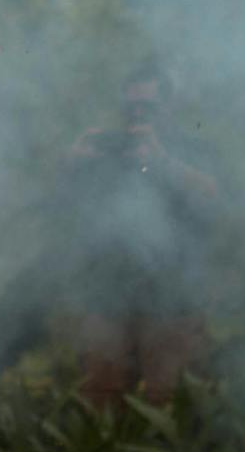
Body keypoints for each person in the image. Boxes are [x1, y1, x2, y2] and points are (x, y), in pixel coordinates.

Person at [59, 65, 222, 412]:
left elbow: (214, 198)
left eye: (146, 106)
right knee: (100, 408)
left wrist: (163, 161)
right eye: (129, 106)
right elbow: (66, 214)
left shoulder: (193, 148)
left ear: (168, 106)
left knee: (172, 406)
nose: (136, 113)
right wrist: (71, 165)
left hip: (173, 302)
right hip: (107, 301)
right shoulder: (108, 151)